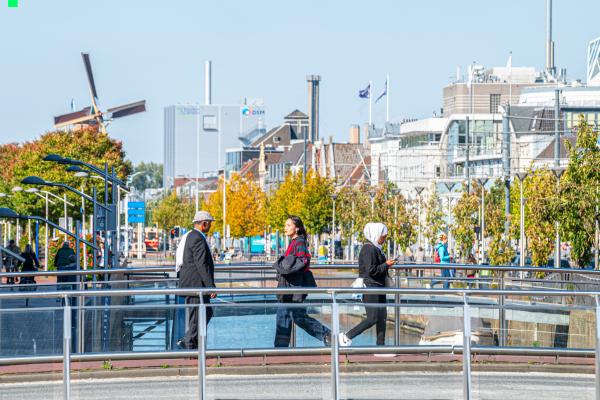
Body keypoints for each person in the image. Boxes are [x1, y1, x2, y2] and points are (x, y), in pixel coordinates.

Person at [273, 216, 331, 347]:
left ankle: (327, 335)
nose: (285, 228)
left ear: (297, 228)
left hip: (293, 286)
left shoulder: (299, 242)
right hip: (291, 285)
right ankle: (327, 335)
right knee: (292, 316)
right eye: (285, 225)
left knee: (287, 316)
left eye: (288, 225)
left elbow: (303, 260)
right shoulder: (294, 241)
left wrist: (285, 268)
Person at [339, 222, 395, 347]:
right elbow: (371, 270)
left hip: (378, 286)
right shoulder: (368, 249)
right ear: (376, 234)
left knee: (382, 317)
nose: (384, 239)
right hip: (370, 286)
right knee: (373, 318)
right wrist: (386, 265)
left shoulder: (376, 248)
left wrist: (386, 265)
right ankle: (346, 336)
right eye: (383, 236)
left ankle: (380, 346)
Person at [177, 211, 216, 350]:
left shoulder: (191, 236)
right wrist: (211, 286)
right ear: (204, 223)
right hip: (196, 284)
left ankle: (190, 342)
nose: (211, 225)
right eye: (210, 223)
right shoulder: (198, 238)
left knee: (202, 313)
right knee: (198, 315)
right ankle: (188, 343)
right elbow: (201, 264)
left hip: (193, 283)